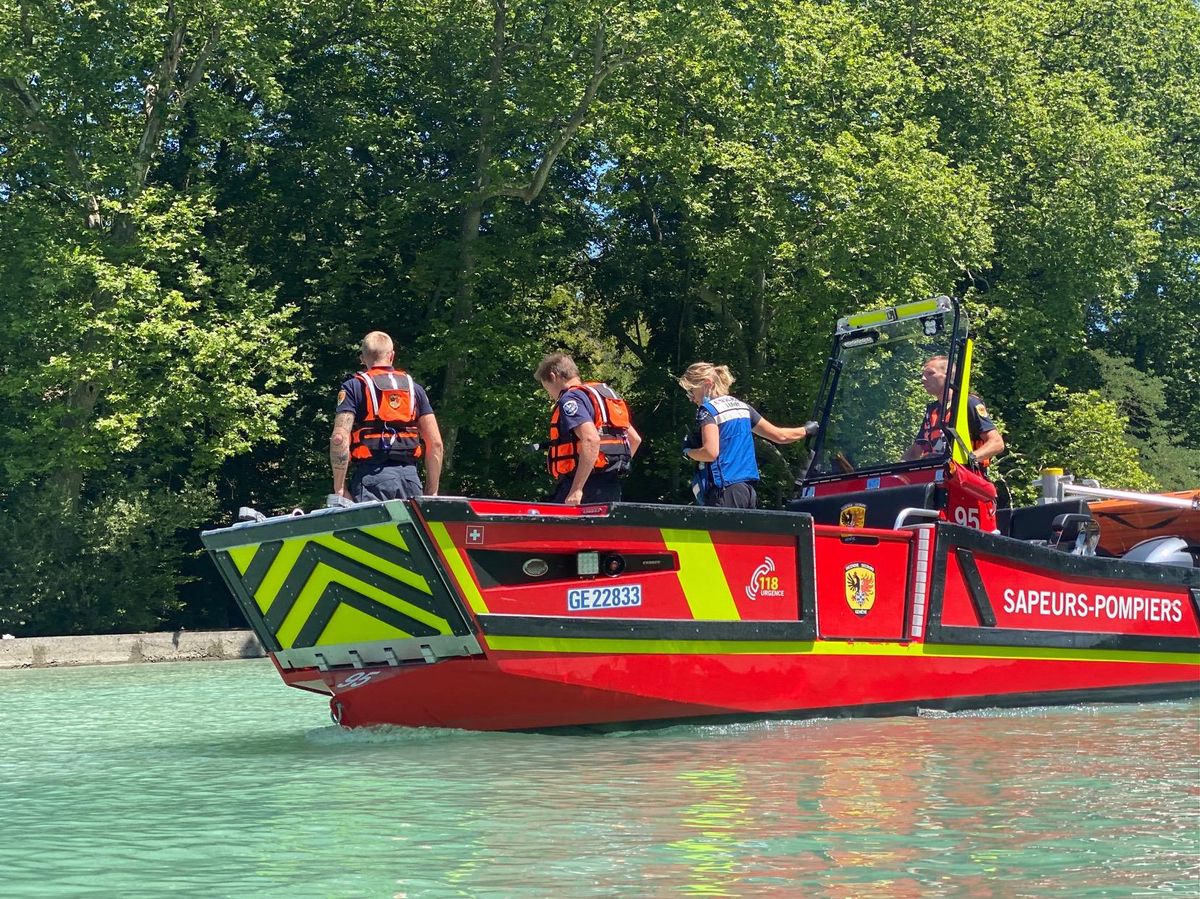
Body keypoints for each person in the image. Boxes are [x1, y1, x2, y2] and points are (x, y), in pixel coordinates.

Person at [678, 362, 818, 509]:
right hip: (748, 491)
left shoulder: (707, 411)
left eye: (691, 391)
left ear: (707, 384)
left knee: (719, 533)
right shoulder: (743, 407)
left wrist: (689, 452)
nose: (691, 398)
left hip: (724, 491)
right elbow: (780, 436)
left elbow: (710, 452)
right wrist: (806, 430)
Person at [330, 331, 443, 502]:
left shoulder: (353, 387)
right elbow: (435, 443)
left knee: (373, 529)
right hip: (410, 480)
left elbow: (339, 438)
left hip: (372, 480)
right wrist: (432, 491)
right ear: (391, 356)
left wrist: (339, 488)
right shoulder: (415, 389)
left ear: (363, 357)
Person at [535, 353, 642, 505]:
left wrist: (577, 489)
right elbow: (634, 439)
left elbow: (591, 439)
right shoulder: (601, 397)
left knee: (552, 528)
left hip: (584, 489)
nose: (550, 395)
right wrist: (612, 467)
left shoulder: (570, 399)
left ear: (553, 376)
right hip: (610, 487)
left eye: (547, 389)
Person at [901, 355, 1004, 468]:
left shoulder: (968, 403)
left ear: (948, 376)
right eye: (923, 374)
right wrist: (897, 471)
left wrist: (967, 460)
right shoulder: (932, 410)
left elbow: (997, 443)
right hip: (936, 475)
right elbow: (916, 450)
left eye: (930, 373)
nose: (923, 379)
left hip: (963, 478)